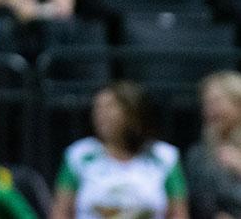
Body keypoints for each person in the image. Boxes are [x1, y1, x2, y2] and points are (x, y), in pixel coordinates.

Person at [51, 81, 190, 219]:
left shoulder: (165, 156)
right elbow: (60, 211)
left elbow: (179, 213)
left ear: (133, 112)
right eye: (97, 108)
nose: (101, 115)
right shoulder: (79, 154)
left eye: (109, 107)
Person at [185, 71, 241, 219]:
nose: (209, 110)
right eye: (206, 103)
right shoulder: (197, 154)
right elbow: (195, 202)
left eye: (216, 102)